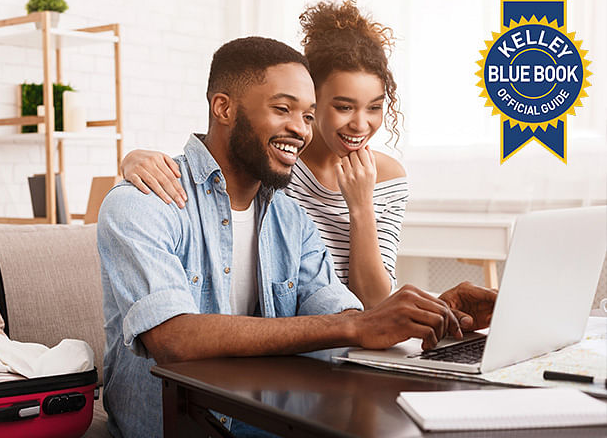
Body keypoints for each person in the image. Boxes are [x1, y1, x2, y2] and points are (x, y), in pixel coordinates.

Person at [98, 36, 496, 438]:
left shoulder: (290, 217)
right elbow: (173, 338)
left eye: (308, 116)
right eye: (283, 109)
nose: (300, 130)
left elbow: (345, 317)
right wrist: (355, 327)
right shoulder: (143, 203)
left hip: (271, 413)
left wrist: (430, 314)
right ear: (224, 107)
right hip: (181, 424)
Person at [121, 1, 407, 309]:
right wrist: (131, 159)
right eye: (344, 107)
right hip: (305, 332)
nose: (361, 124)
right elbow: (218, 155)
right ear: (316, 99)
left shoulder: (387, 179)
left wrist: (361, 205)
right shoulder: (274, 162)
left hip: (340, 330)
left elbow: (372, 305)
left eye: (374, 107)